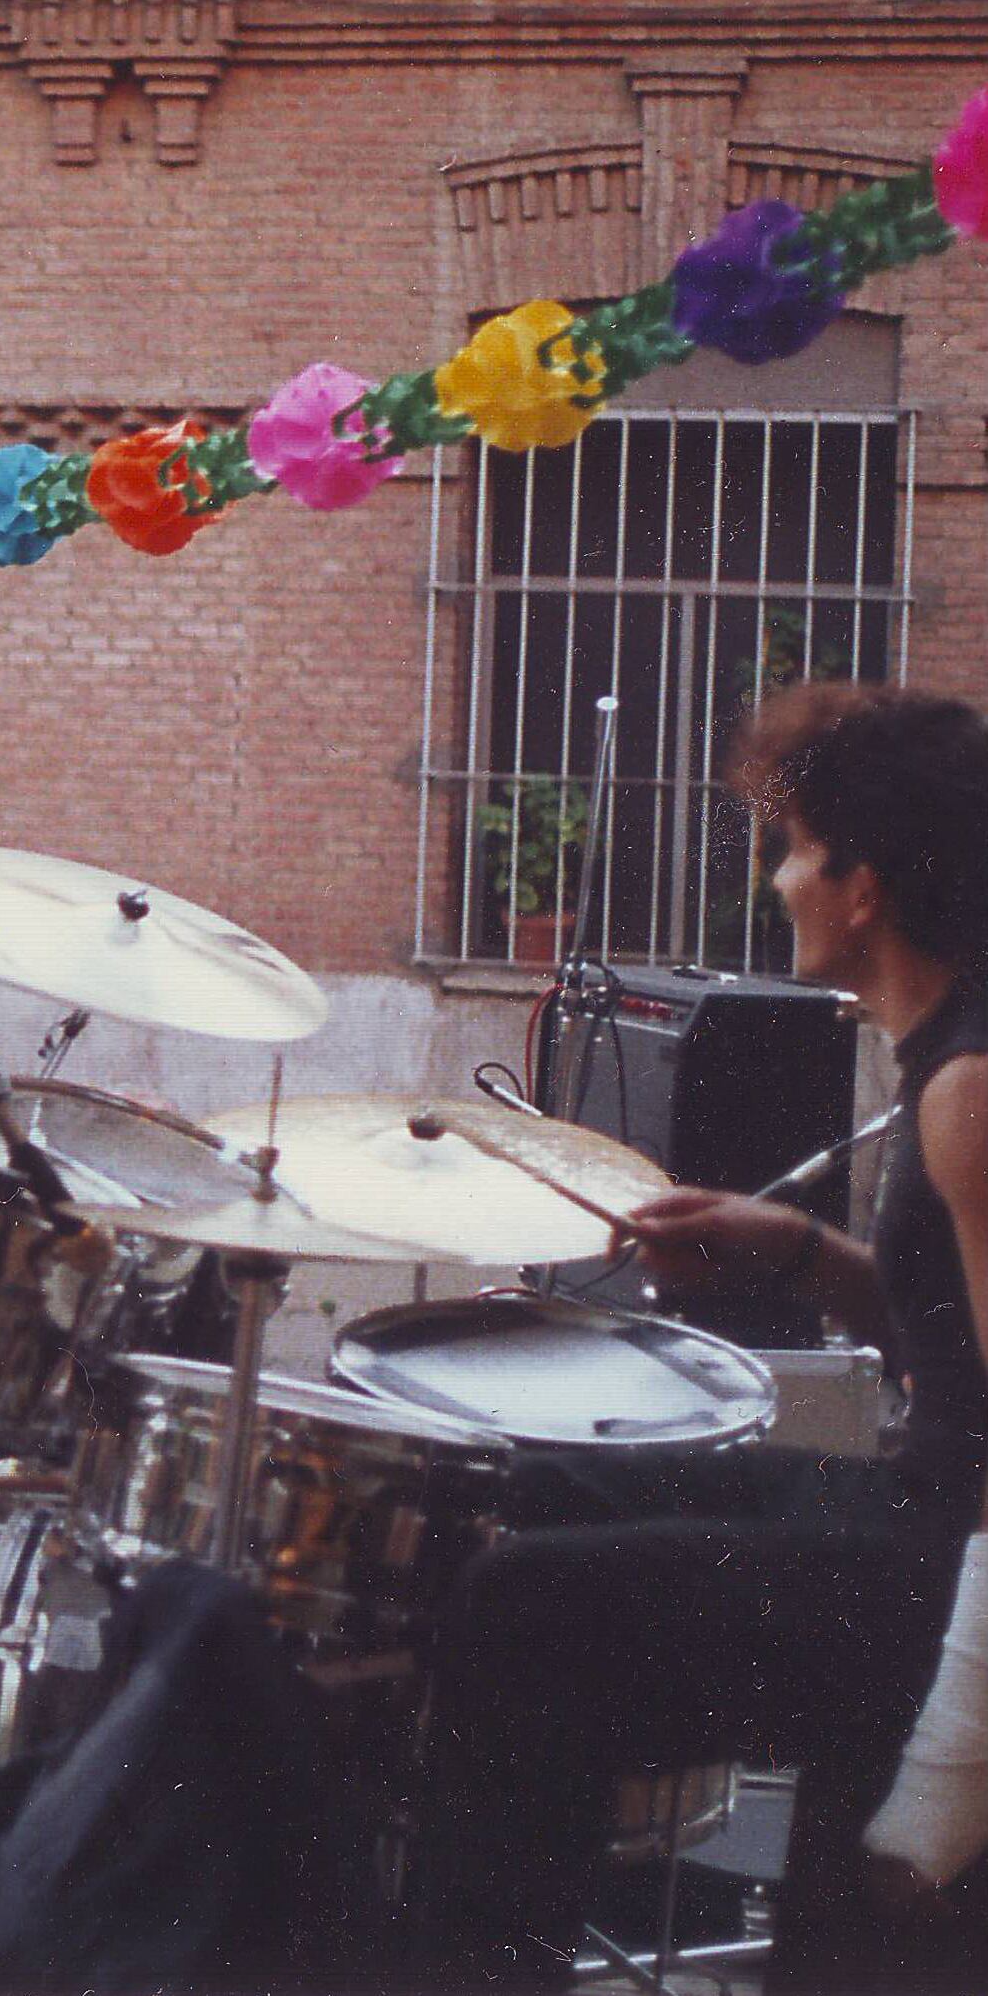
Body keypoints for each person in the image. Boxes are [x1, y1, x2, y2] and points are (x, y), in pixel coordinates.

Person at [410, 683, 988, 1989]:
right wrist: (787, 1249)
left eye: (789, 846)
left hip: (948, 1574)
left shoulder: (969, 1090)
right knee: (508, 1484)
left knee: (520, 1607)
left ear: (863, 883)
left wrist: (951, 1762)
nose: (773, 879)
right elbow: (955, 1336)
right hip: (922, 1519)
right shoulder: (942, 1052)